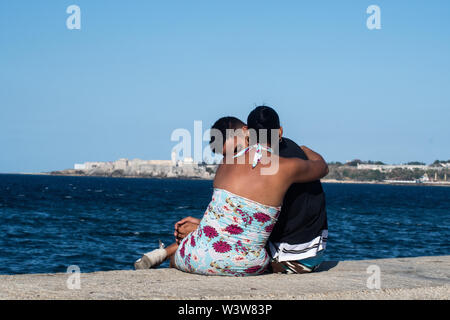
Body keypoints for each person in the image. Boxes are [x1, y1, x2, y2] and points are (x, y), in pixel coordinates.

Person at [134, 107, 329, 276]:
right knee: (210, 238)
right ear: (279, 132)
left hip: (291, 258)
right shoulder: (292, 160)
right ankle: (167, 250)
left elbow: (251, 226)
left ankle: (163, 253)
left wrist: (203, 227)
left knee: (196, 247)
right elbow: (322, 167)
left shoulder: (235, 164)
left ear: (246, 132)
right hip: (309, 251)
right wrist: (305, 149)